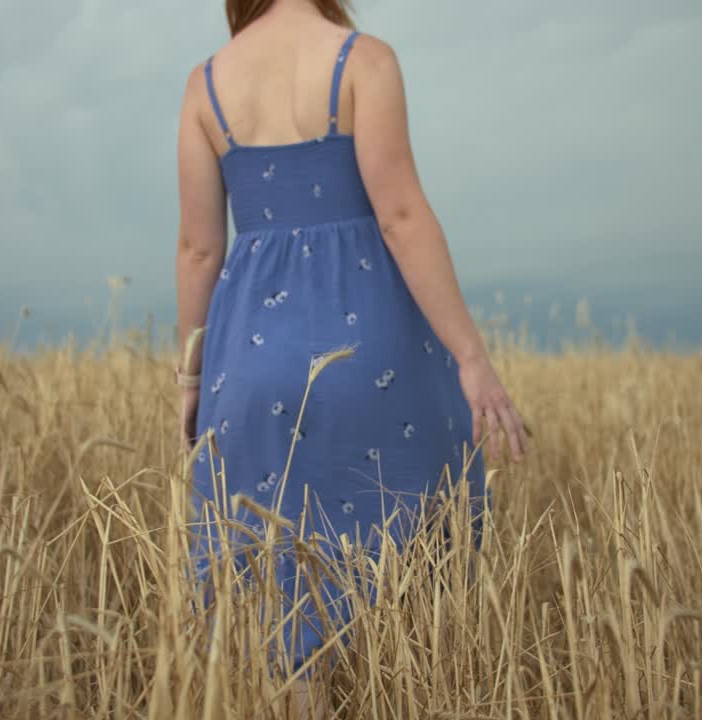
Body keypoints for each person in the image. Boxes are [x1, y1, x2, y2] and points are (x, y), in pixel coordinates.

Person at [173, 0, 527, 716]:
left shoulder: (205, 84)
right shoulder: (364, 60)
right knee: (411, 563)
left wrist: (190, 378)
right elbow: (400, 215)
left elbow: (199, 248)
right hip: (374, 349)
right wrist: (472, 356)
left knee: (275, 590)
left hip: (249, 355)